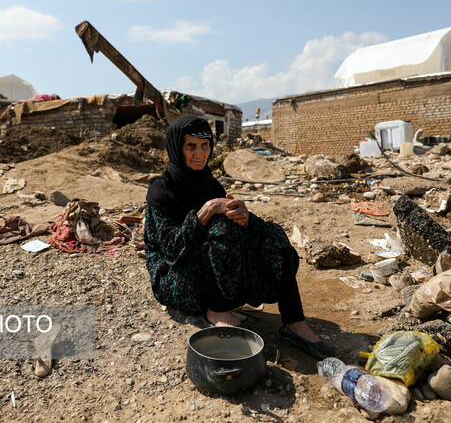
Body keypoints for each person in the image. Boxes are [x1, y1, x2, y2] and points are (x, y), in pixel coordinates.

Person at [144, 115, 338, 358]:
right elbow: (172, 249)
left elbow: (240, 228)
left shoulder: (211, 185)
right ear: (176, 148)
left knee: (272, 235)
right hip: (175, 276)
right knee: (220, 227)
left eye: (204, 146)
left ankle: (294, 321)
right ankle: (217, 311)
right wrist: (205, 213)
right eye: (190, 146)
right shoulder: (161, 190)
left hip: (210, 270)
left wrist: (245, 217)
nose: (199, 154)